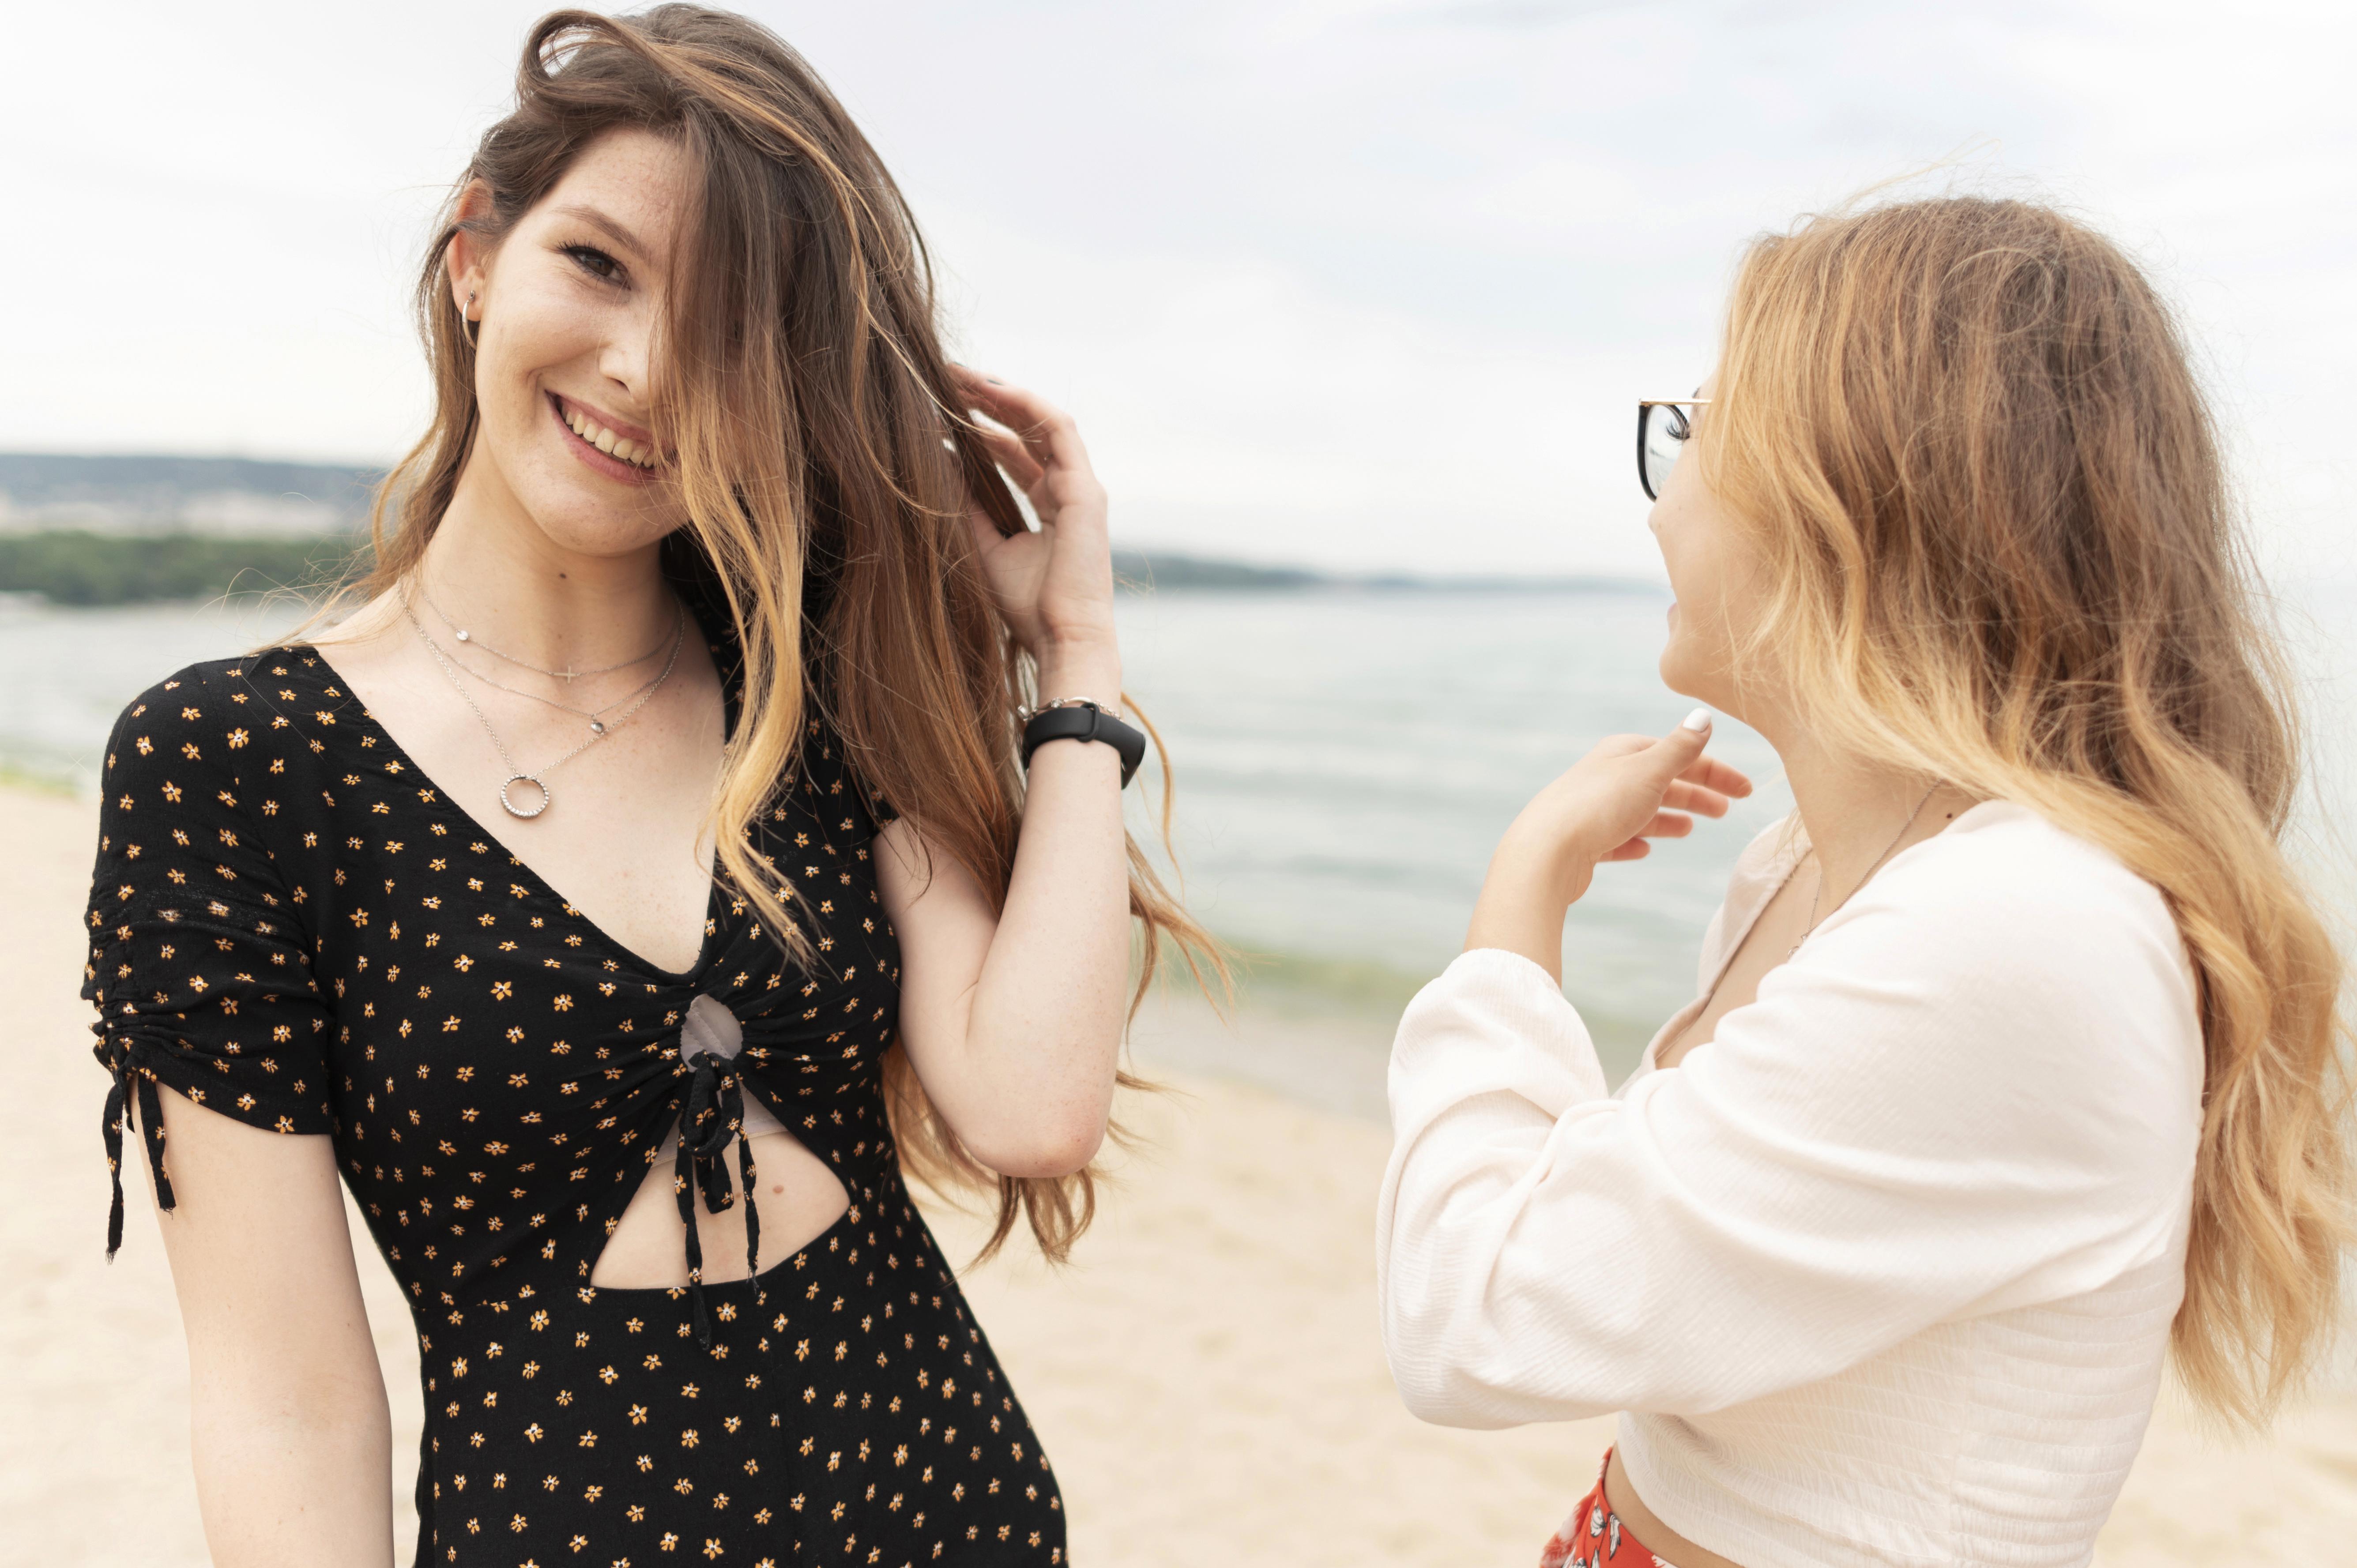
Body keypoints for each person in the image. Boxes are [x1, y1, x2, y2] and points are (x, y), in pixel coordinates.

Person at [83, 8, 1211, 1564]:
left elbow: (1028, 1101)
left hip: (951, 1506)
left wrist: (1074, 659)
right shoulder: (237, 764)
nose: (649, 368)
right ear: (477, 256)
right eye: (598, 265)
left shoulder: (807, 674)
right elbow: (285, 1397)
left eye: (735, 330)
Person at [1377, 196, 2352, 1568]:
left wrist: (1523, 886)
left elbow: (1472, 1310)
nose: (1664, 494)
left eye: (1702, 428)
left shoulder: (2020, 926)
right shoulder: (1825, 867)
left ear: (1853, 498)